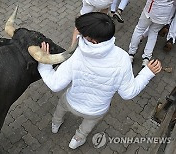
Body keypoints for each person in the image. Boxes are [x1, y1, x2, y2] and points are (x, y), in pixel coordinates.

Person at [38, 12, 162, 149]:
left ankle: (55, 124)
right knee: (87, 127)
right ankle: (76, 140)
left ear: (93, 40)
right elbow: (128, 93)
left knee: (61, 107)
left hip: (72, 102)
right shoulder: (123, 58)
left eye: (82, 32)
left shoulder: (77, 55)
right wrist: (147, 73)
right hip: (96, 110)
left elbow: (55, 84)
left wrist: (43, 63)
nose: (78, 32)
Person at [128, 0, 175, 67]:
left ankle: (131, 54)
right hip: (165, 14)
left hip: (151, 10)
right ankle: (146, 58)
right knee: (153, 33)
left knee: (139, 29)